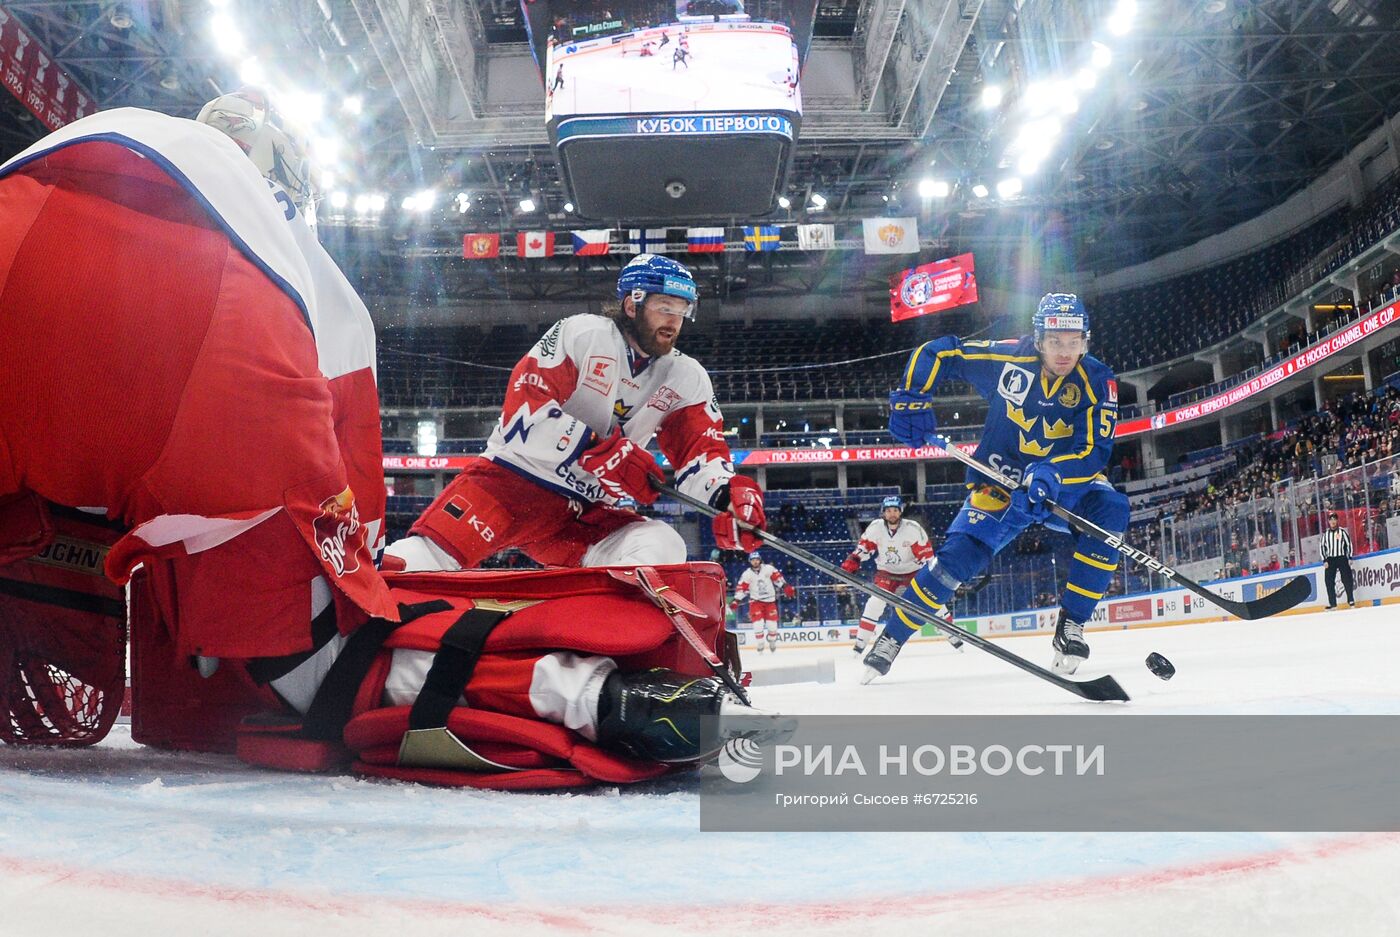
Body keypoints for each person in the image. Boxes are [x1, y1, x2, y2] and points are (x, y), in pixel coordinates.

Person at [0, 92, 396, 672]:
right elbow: (346, 443)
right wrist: (362, 568)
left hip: (17, 227)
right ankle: (228, 655)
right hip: (211, 320)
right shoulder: (275, 219)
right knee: (273, 515)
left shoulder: (151, 134)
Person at [388, 254, 768, 573]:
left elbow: (701, 453)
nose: (674, 321)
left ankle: (596, 639)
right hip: (509, 484)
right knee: (420, 561)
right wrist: (603, 451)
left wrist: (726, 498)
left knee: (663, 545)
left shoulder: (686, 376)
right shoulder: (584, 333)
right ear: (632, 305)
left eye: (682, 311)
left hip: (581, 513)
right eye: (664, 308)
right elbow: (525, 410)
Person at [864, 292, 1129, 682]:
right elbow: (940, 352)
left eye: (1075, 342)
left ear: (1085, 341)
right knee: (956, 560)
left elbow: (1093, 451)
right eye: (1055, 341)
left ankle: (1072, 625)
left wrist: (1050, 475)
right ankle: (892, 636)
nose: (1065, 352)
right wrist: (911, 396)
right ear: (1038, 339)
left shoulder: (1098, 381)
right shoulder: (1010, 359)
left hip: (1061, 483)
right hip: (1000, 482)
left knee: (1111, 512)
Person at [840, 495, 956, 653]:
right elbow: (864, 547)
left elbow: (926, 556)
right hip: (886, 574)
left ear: (900, 511)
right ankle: (859, 645)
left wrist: (931, 578)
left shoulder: (913, 528)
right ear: (883, 512)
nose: (892, 514)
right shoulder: (875, 527)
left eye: (895, 510)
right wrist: (855, 559)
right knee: (874, 604)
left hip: (912, 573)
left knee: (934, 602)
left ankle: (955, 639)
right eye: (888, 510)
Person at [731, 551, 795, 653]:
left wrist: (785, 587)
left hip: (770, 602)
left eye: (757, 559)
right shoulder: (747, 574)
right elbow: (742, 588)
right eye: (753, 560)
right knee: (758, 624)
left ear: (760, 560)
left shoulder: (769, 569)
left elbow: (778, 579)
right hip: (756, 602)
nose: (755, 562)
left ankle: (772, 640)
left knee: (772, 625)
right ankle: (760, 642)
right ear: (750, 561)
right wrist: (736, 600)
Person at [1321, 512, 1356, 608]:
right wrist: (1324, 560)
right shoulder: (1326, 534)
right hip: (1330, 559)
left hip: (1342, 557)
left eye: (1334, 519)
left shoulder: (1342, 532)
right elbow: (1322, 547)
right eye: (1331, 519)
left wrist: (1349, 557)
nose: (1332, 521)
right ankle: (1333, 604)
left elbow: (1349, 544)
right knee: (1328, 581)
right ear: (1328, 521)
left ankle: (1351, 600)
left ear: (1337, 521)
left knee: (1347, 579)